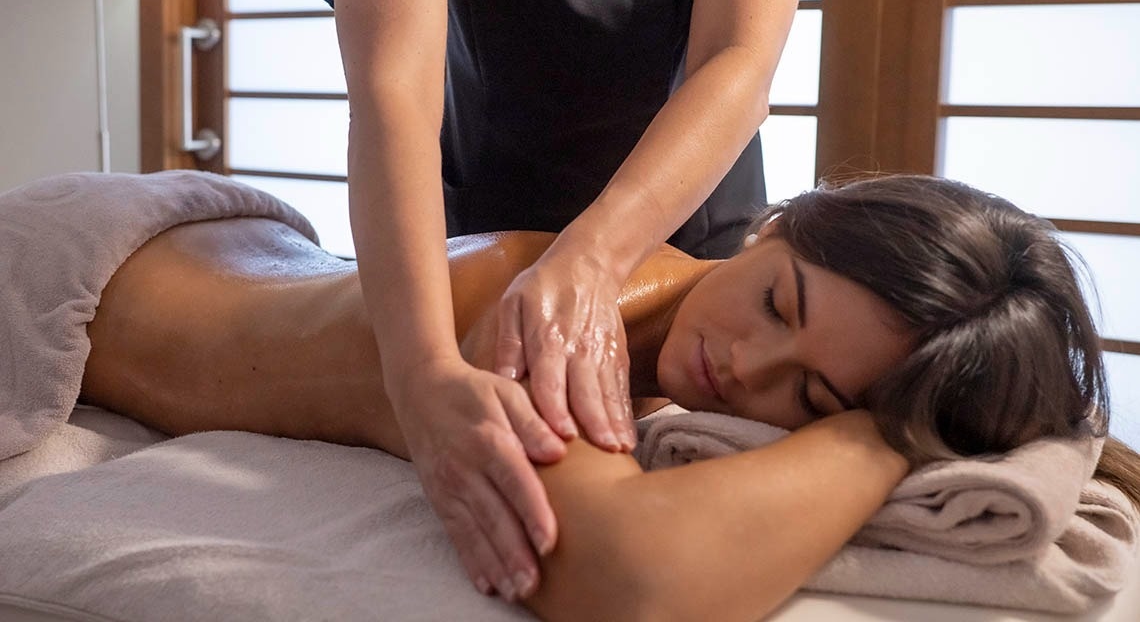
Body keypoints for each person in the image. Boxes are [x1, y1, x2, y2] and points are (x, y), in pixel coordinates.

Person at [80, 173, 1140, 617]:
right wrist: (878, 434)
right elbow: (634, 579)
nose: (747, 368)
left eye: (812, 394)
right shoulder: (548, 316)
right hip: (82, 269)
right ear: (772, 224)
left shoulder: (677, 354)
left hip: (239, 245)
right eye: (777, 302)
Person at [320, 0, 831, 590]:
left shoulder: (762, 331)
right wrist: (420, 374)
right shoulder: (498, 308)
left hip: (693, 220)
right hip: (494, 216)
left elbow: (737, 60)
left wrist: (590, 259)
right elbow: (392, 89)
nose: (756, 364)